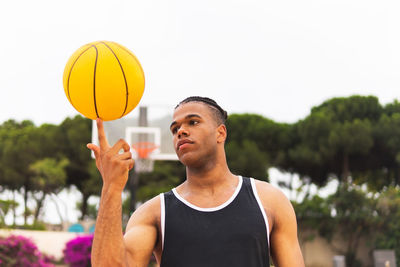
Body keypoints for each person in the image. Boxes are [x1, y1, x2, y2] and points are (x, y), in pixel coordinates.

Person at [88, 96, 305, 267]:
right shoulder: (155, 212)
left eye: (193, 122)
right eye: (174, 129)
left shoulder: (268, 200)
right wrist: (111, 187)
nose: (180, 131)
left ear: (220, 133)